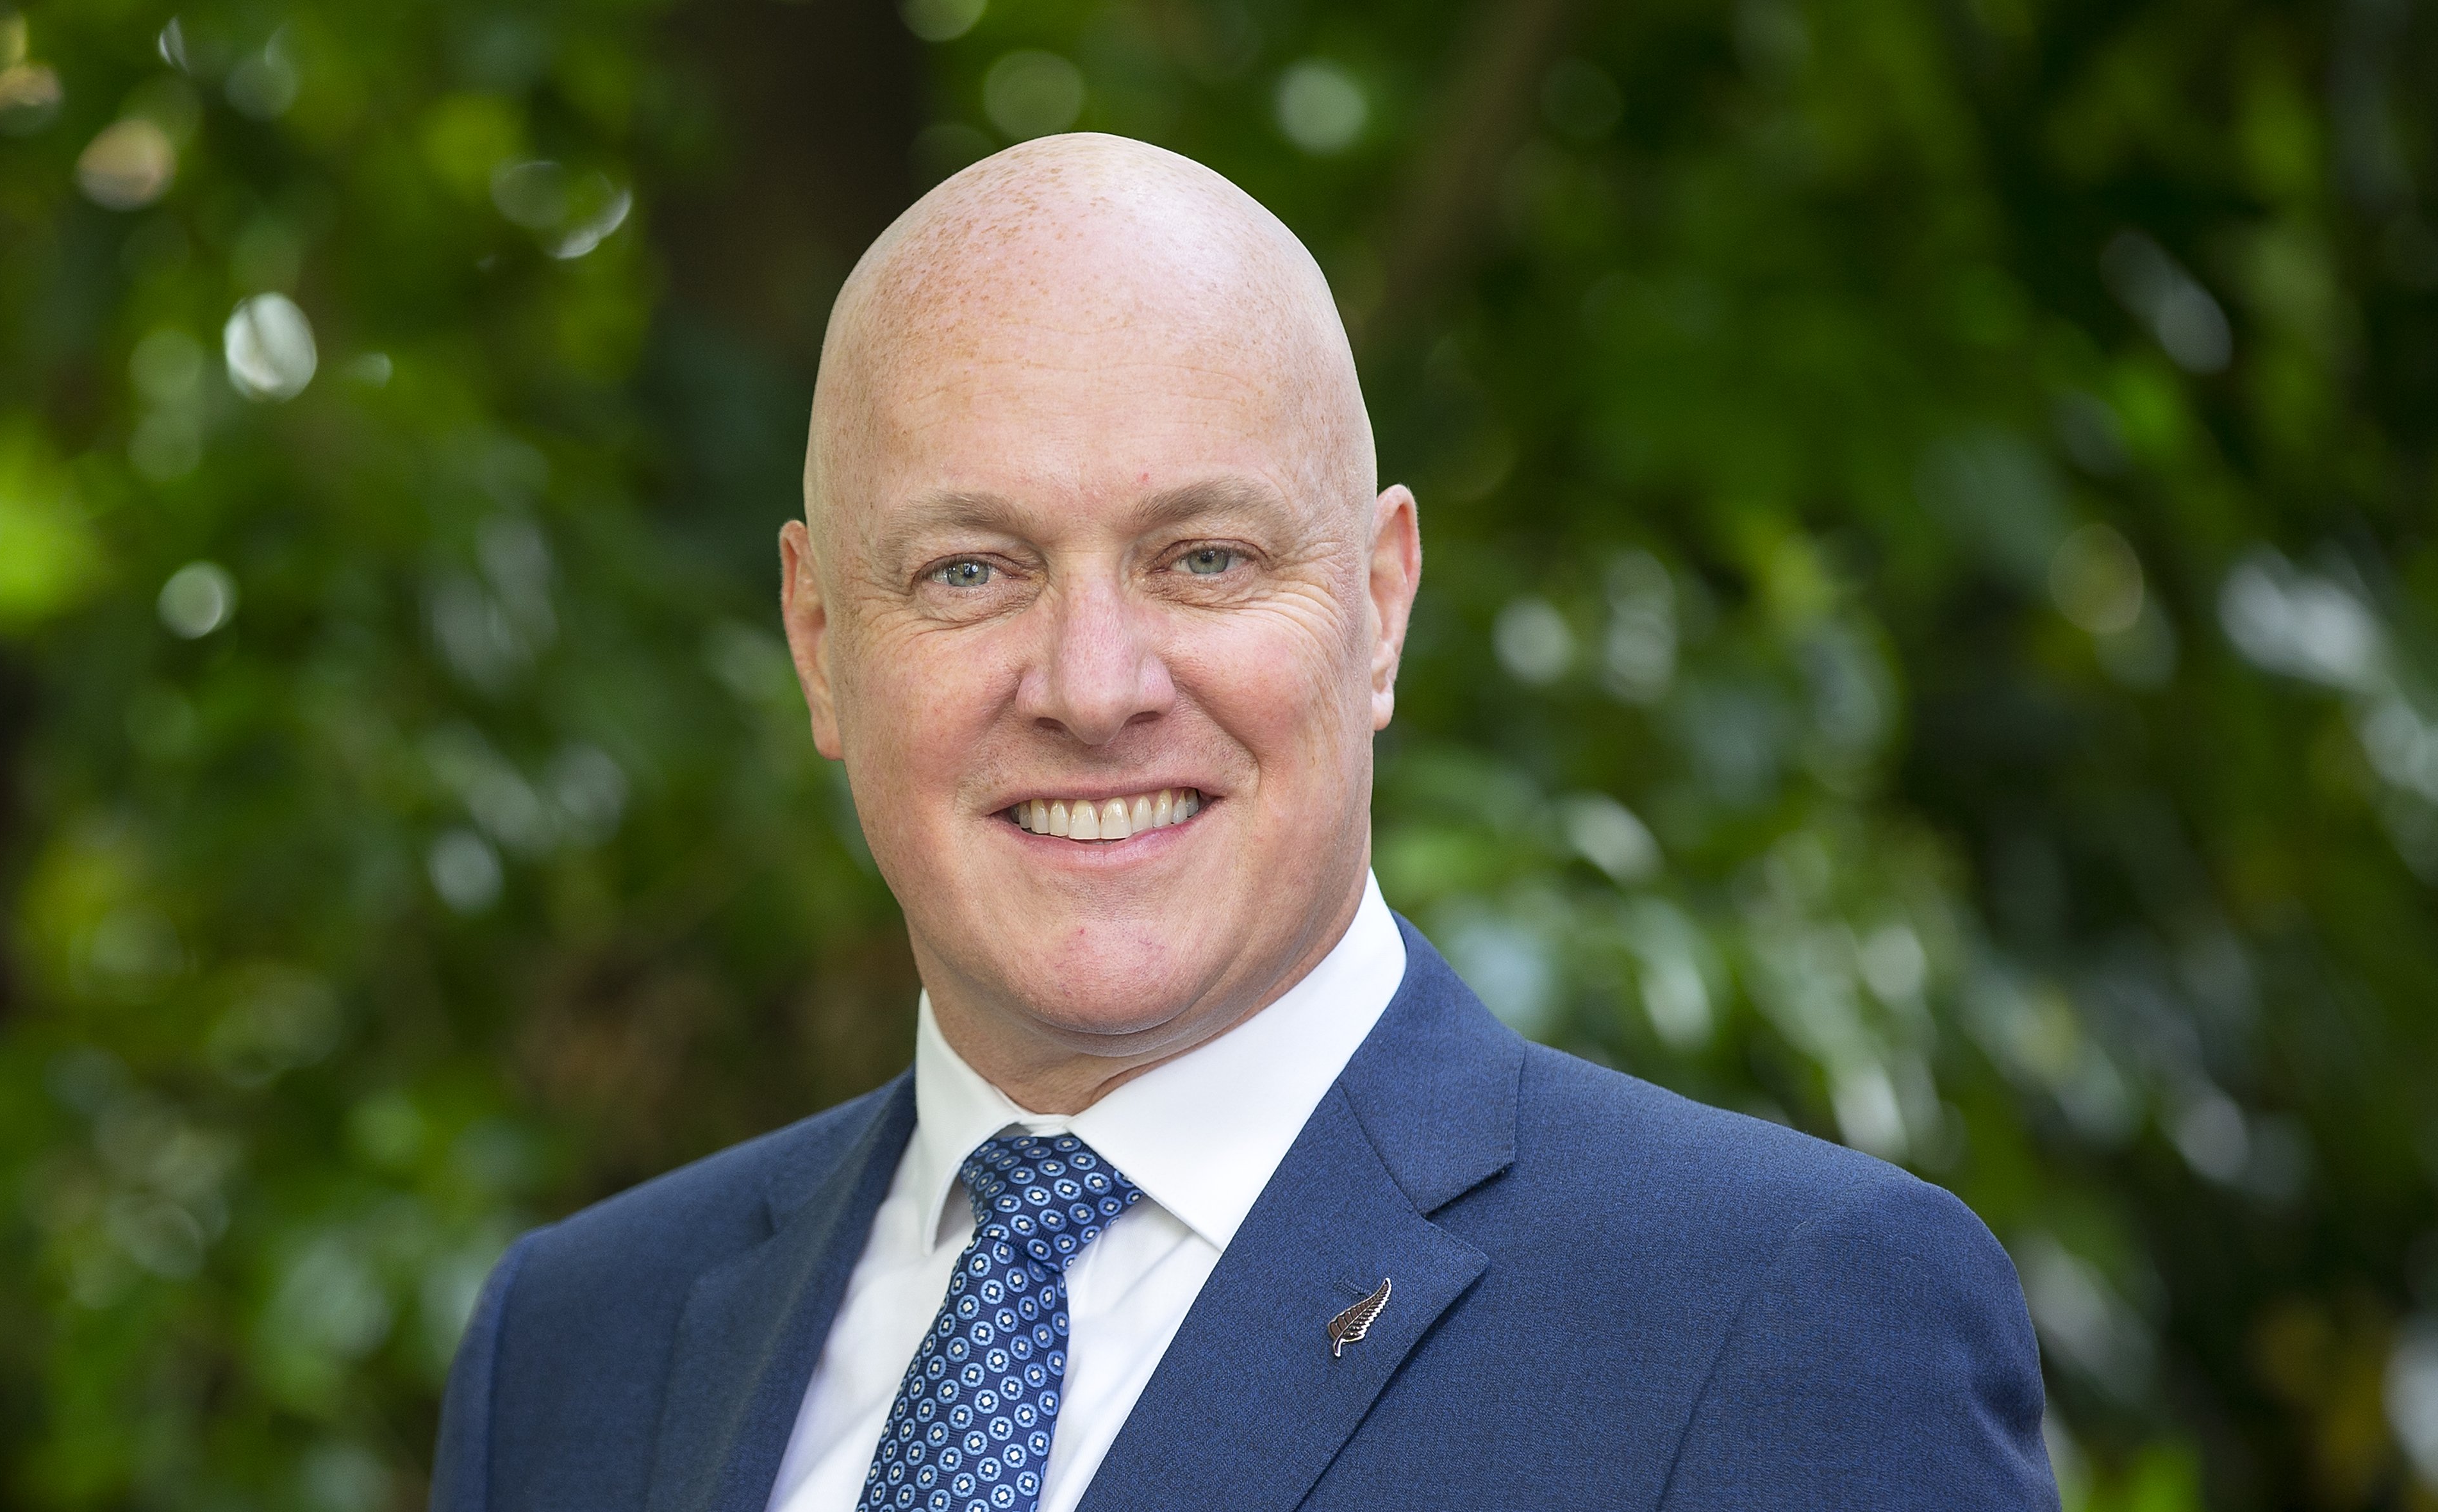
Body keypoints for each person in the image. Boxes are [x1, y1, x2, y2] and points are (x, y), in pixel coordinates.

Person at [429, 134, 2055, 1512]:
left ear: (1380, 603)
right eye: (970, 570)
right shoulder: (574, 1355)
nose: (1091, 683)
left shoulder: (1783, 1320)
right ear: (819, 642)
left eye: (1202, 556)